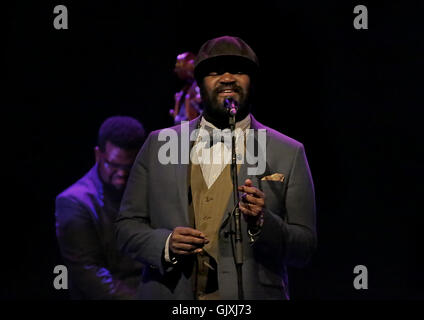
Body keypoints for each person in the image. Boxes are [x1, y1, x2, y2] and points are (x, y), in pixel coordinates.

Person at [116, 36, 317, 299]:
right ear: (200, 83)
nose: (227, 78)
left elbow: (305, 249)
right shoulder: (158, 144)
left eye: (238, 70)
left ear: (251, 80)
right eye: (215, 71)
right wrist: (165, 244)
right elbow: (125, 227)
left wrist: (262, 224)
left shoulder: (289, 152)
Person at [55, 116, 146, 299]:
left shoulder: (147, 187)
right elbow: (91, 276)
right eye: (113, 165)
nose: (121, 174)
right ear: (98, 155)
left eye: (129, 167)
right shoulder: (74, 203)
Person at [169, 51, 202, 123]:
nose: (176, 70)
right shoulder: (186, 89)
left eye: (180, 66)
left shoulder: (199, 87)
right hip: (184, 129)